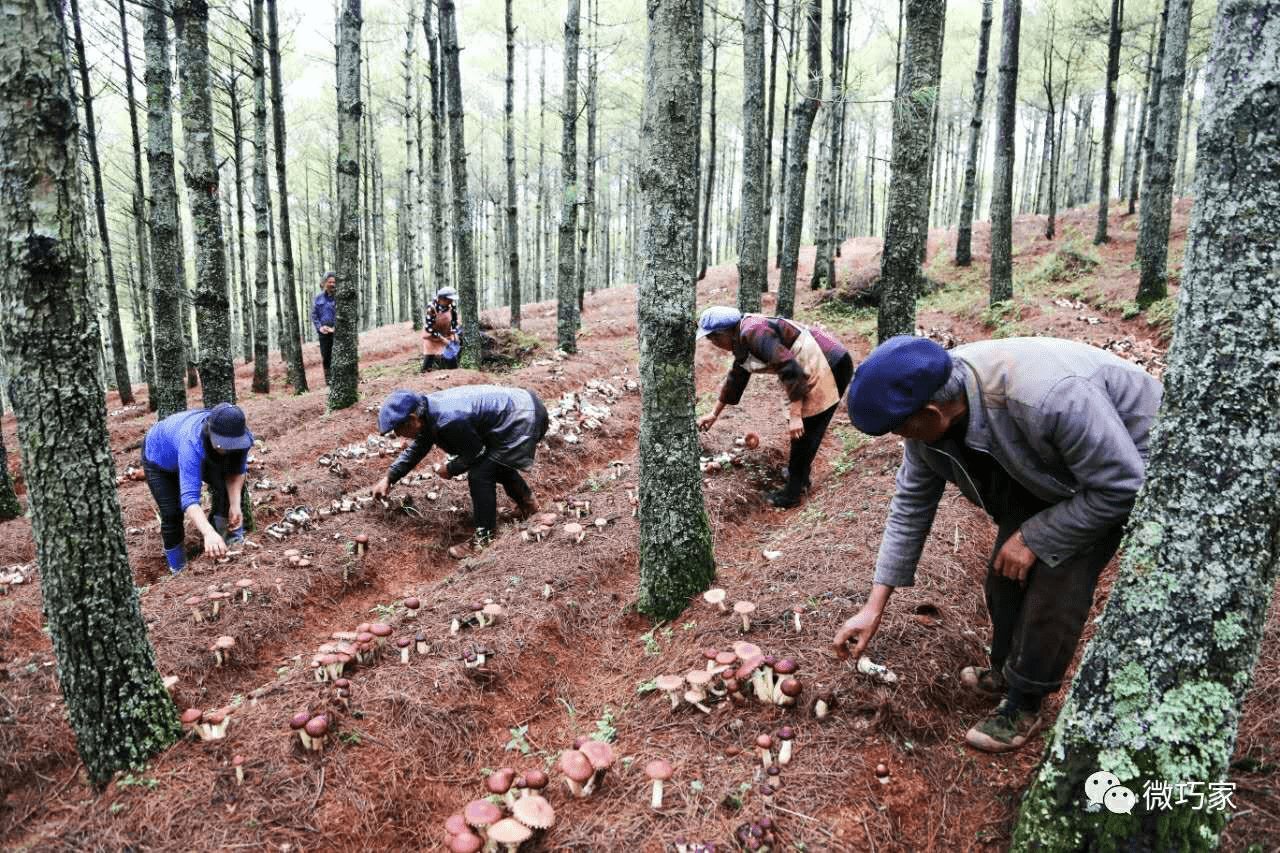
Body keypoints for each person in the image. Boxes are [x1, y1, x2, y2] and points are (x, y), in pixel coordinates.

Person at [832, 336, 1162, 753]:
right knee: (1004, 575)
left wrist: (1035, 536)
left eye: (900, 428)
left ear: (932, 413)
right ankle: (1005, 671)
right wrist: (873, 606)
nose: (900, 437)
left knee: (1056, 579)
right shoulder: (933, 416)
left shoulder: (1048, 398)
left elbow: (1124, 486)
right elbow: (911, 505)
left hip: (1127, 468)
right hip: (1054, 464)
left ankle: (1025, 702)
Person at [695, 306, 854, 508]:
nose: (714, 344)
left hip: (829, 362)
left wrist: (796, 414)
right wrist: (713, 414)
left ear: (724, 333)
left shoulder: (753, 332)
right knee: (802, 428)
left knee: (805, 427)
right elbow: (737, 377)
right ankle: (799, 475)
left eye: (713, 339)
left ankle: (792, 493)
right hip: (811, 365)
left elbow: (789, 368)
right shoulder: (742, 336)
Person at [372, 385, 548, 557]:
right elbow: (417, 449)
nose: (398, 434)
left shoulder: (449, 420)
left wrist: (450, 468)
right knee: (495, 463)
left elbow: (476, 453)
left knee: (481, 474)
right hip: (519, 409)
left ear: (412, 419)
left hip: (522, 418)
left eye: (398, 428)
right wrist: (389, 478)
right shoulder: (428, 413)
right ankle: (527, 504)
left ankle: (484, 538)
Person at [141, 402, 255, 574]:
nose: (230, 448)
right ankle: (177, 567)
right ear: (211, 435)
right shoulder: (192, 443)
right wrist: (208, 533)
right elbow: (189, 498)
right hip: (160, 459)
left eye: (233, 444)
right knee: (172, 513)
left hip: (201, 451)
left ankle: (232, 543)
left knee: (225, 492)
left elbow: (236, 472)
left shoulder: (241, 439)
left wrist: (236, 504)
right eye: (225, 444)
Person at [421, 286, 461, 372]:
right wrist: (442, 339)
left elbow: (454, 321)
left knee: (452, 355)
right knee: (429, 357)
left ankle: (454, 372)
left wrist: (454, 333)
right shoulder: (431, 308)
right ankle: (424, 374)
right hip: (431, 337)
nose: (451, 302)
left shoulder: (451, 306)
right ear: (442, 299)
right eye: (449, 300)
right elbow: (429, 329)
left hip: (446, 334)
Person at [313, 272, 337, 383]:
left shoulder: (339, 298)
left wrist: (335, 328)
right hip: (323, 333)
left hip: (337, 332)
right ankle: (329, 381)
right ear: (325, 283)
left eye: (334, 282)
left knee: (337, 355)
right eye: (329, 282)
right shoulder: (318, 299)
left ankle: (339, 378)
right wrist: (320, 328)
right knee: (326, 356)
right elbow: (314, 316)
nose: (332, 284)